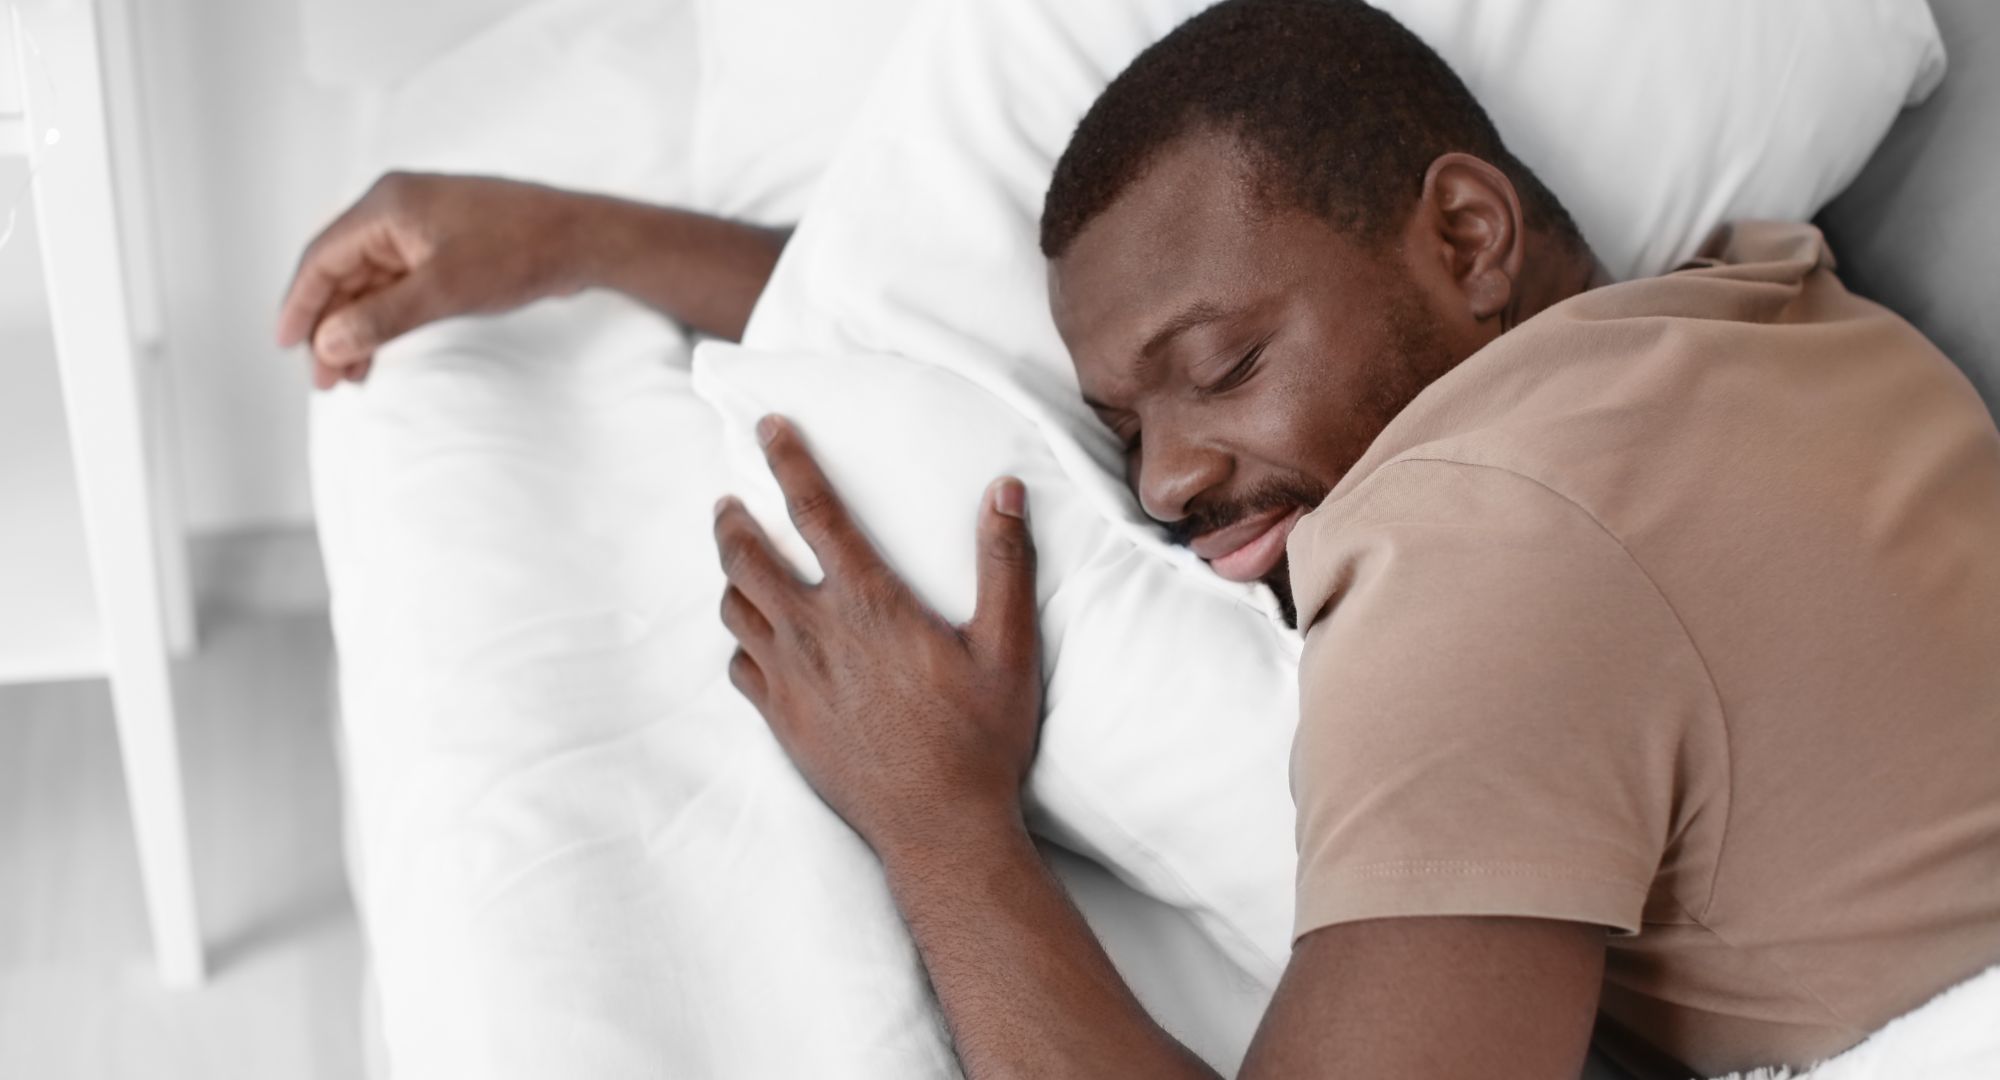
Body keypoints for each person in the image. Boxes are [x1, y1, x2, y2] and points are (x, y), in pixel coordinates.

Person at [282, 1, 2000, 1075]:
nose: (1167, 483)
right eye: (1126, 431)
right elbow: (955, 377)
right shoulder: (1765, 309)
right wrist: (573, 237)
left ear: (1468, 235)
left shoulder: (1488, 566)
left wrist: (939, 823)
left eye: (1224, 370)